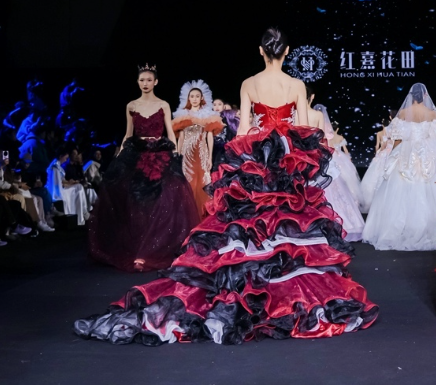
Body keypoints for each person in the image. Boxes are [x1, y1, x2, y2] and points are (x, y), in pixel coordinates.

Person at [76, 28, 378, 345]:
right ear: (287, 52)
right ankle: (286, 295)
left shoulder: (249, 83)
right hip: (287, 161)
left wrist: (240, 163)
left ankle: (252, 290)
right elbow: (302, 128)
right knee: (288, 224)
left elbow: (244, 129)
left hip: (256, 159)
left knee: (250, 225)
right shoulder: (296, 85)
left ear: (260, 51)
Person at [86, 64, 200, 272]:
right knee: (135, 202)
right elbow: (128, 133)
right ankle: (139, 250)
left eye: (149, 80)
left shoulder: (163, 104)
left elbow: (169, 132)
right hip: (137, 155)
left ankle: (154, 250)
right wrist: (120, 156)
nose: (145, 83)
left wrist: (175, 155)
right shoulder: (131, 105)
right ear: (137, 82)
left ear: (156, 82)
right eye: (142, 80)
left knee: (165, 199)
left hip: (159, 155)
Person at [360, 83, 436, 250]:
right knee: (431, 189)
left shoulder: (404, 113)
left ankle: (405, 228)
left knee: (402, 188)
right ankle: (432, 228)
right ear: (425, 96)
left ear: (411, 96)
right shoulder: (432, 114)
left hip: (406, 150)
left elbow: (398, 138)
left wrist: (393, 157)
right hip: (429, 151)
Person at [312, 102, 365, 241]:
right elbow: (327, 144)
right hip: (326, 156)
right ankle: (345, 223)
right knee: (335, 189)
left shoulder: (305, 119)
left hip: (314, 157)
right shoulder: (326, 127)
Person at [171, 79, 223, 216]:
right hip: (186, 154)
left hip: (201, 153)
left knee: (202, 183)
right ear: (188, 98)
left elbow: (209, 137)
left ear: (201, 98)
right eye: (192, 96)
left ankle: (202, 215)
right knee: (187, 182)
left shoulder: (208, 116)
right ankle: (187, 215)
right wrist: (177, 155)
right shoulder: (182, 115)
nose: (194, 99)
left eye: (197, 96)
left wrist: (210, 157)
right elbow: (181, 137)